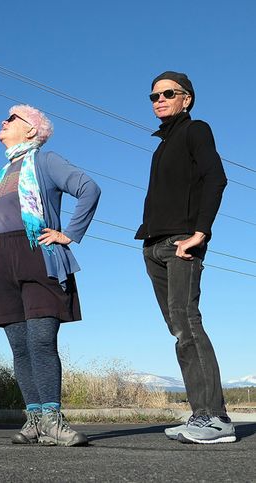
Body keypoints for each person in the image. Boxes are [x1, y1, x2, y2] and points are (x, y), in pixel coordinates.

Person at [0, 104, 100, 446]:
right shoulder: (3, 174)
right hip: (2, 260)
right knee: (19, 347)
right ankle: (34, 421)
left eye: (12, 118)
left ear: (31, 130)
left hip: (37, 255)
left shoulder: (46, 161)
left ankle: (53, 420)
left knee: (41, 341)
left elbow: (88, 188)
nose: (3, 122)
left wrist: (70, 233)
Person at [136, 71, 235, 444]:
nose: (159, 99)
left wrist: (200, 232)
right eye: (153, 96)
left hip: (182, 242)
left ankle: (217, 418)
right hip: (154, 244)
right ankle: (201, 415)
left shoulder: (197, 130)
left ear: (186, 99)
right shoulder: (162, 144)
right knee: (179, 330)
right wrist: (148, 241)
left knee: (188, 323)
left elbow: (216, 178)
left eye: (168, 93)